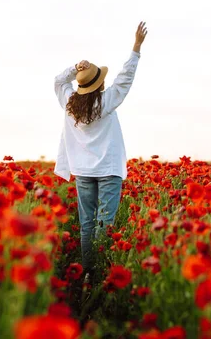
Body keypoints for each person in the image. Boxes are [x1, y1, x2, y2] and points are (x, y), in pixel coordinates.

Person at [53, 21, 148, 281]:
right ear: (99, 85)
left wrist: (75, 69)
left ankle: (88, 272)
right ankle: (100, 275)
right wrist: (136, 48)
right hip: (108, 169)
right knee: (104, 224)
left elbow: (58, 81)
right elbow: (125, 79)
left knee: (86, 224)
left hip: (83, 170)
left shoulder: (70, 104)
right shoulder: (106, 102)